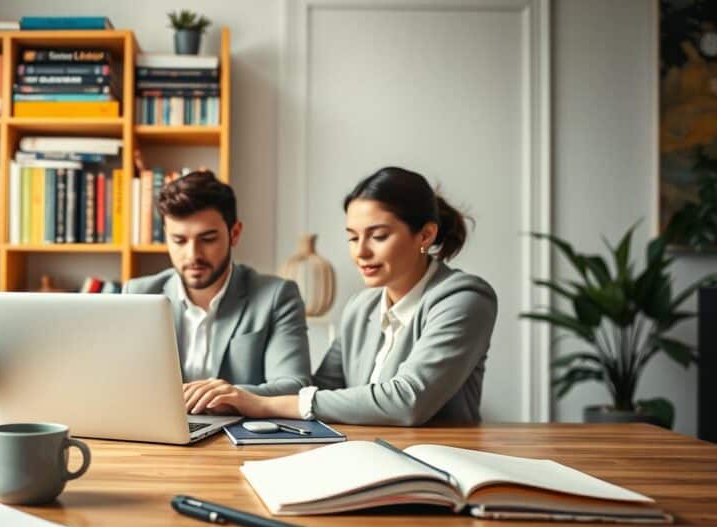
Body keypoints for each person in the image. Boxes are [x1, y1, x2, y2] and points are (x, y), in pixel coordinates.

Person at [184, 166, 498, 426]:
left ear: (425, 235)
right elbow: (318, 389)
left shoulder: (465, 298)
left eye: (378, 236)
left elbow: (407, 401)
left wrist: (262, 405)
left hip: (437, 467)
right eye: (352, 237)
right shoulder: (361, 307)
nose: (360, 252)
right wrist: (229, 396)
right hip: (365, 457)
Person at [124, 170, 311, 400]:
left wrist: (227, 396)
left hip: (240, 431)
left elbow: (294, 386)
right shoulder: (138, 295)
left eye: (208, 239)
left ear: (234, 234)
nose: (192, 254)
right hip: (158, 434)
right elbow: (118, 380)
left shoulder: (277, 296)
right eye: (179, 240)